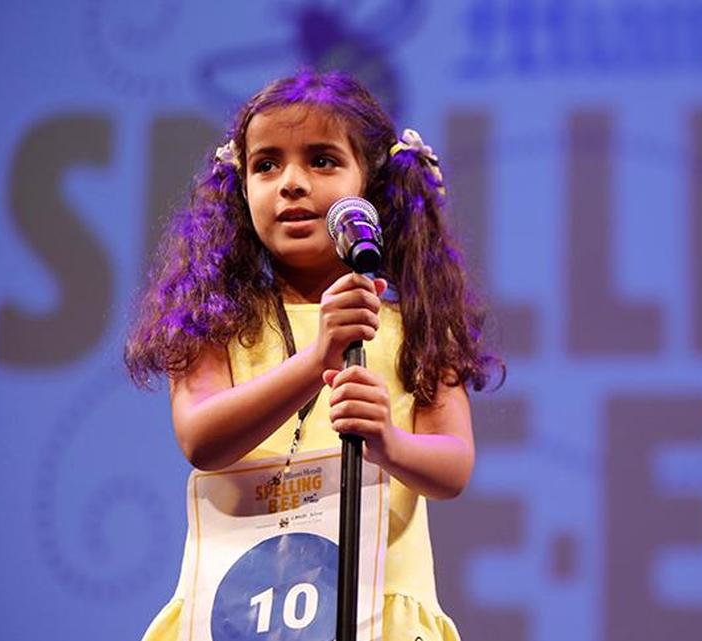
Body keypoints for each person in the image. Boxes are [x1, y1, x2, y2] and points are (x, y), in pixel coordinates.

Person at [125, 69, 502, 641]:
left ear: (371, 185)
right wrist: (318, 356)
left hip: (378, 611)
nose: (292, 183)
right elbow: (201, 439)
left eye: (322, 161)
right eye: (266, 165)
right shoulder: (213, 318)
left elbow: (453, 465)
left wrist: (388, 443)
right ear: (240, 187)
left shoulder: (416, 324)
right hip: (240, 613)